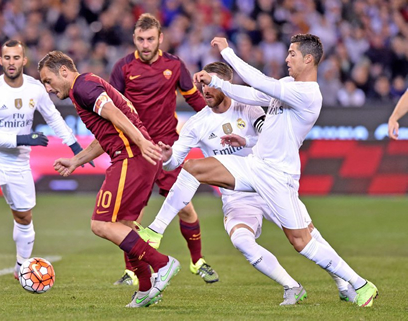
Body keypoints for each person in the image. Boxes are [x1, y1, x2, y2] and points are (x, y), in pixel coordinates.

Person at [140, 34, 379, 307]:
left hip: (279, 176)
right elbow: (253, 93)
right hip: (255, 165)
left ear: (308, 59)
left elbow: (259, 83)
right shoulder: (288, 84)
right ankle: (155, 231)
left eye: (292, 54)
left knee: (303, 241)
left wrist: (227, 53)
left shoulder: (307, 93)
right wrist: (218, 86)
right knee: (193, 167)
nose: (287, 59)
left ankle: (358, 284)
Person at [37, 50, 180, 308]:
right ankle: (146, 289)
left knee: (101, 224)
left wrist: (139, 142)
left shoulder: (83, 86)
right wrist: (76, 160)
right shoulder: (86, 86)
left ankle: (162, 263)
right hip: (137, 157)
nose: (47, 88)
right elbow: (106, 135)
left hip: (130, 157)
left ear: (64, 72)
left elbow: (115, 113)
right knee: (124, 226)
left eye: (48, 80)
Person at [0, 40, 87, 288]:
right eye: (7, 58)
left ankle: (21, 267)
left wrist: (75, 148)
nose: (11, 62)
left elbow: (53, 117)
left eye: (16, 58)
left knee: (23, 217)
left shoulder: (35, 89)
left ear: (24, 61)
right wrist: (24, 138)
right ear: (1, 61)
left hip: (19, 162)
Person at [109, 13, 218, 286]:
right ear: (134, 39)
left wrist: (217, 121)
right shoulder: (123, 68)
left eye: (150, 39)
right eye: (140, 39)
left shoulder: (174, 65)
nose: (145, 44)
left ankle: (197, 261)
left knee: (186, 209)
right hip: (137, 149)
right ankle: (132, 271)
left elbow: (194, 98)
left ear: (160, 39)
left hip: (169, 148)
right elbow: (112, 110)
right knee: (130, 216)